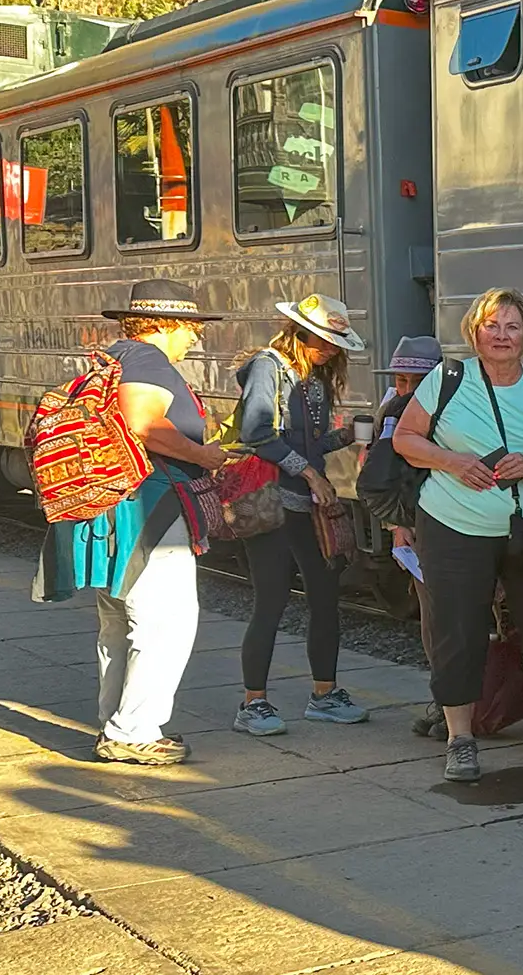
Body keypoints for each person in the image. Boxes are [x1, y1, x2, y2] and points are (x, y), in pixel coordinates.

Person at [390, 287, 523, 783]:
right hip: (453, 526)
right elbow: (405, 439)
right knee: (458, 631)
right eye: (491, 326)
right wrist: (452, 461)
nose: (501, 335)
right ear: (474, 333)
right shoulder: (447, 380)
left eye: (512, 327)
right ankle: (460, 738)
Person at [40, 280, 231, 765]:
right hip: (149, 511)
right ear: (164, 325)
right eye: (190, 328)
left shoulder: (115, 358)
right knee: (165, 622)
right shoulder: (148, 360)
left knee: (118, 622)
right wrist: (203, 455)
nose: (195, 337)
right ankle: (133, 731)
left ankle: (117, 721)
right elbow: (143, 423)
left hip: (117, 509)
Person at [230, 295, 370, 736]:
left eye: (334, 343)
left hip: (308, 506)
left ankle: (324, 694)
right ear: (298, 333)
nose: (328, 349)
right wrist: (310, 473)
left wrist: (347, 436)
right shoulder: (267, 366)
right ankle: (252, 703)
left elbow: (310, 443)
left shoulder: (315, 379)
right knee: (270, 601)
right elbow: (257, 434)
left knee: (326, 598)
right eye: (320, 340)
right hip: (271, 501)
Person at [367, 336, 450, 741]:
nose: (406, 389)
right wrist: (399, 525)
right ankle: (446, 701)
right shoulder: (392, 412)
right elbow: (382, 476)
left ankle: (465, 703)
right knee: (435, 619)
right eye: (401, 380)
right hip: (420, 526)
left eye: (416, 381)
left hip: (460, 523)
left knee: (458, 619)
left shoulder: (455, 410)